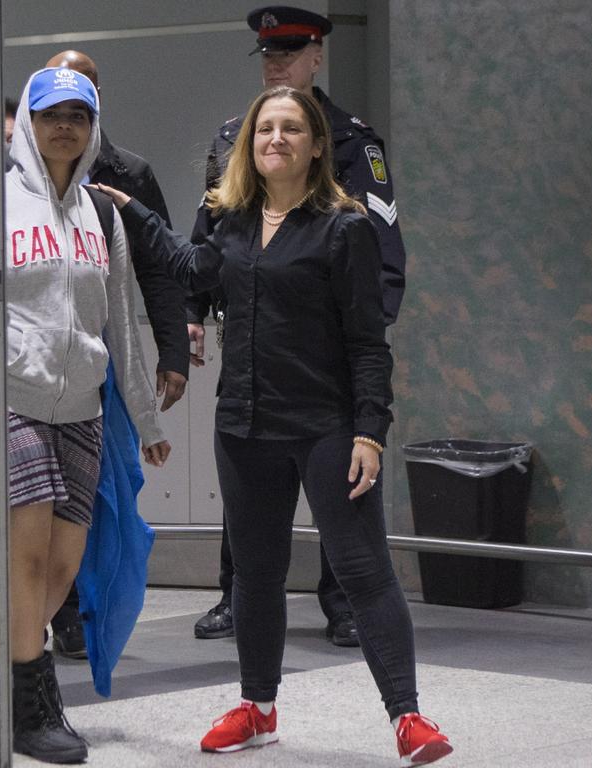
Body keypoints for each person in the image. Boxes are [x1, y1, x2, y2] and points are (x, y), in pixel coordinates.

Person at [92, 85, 452, 765]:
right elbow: (188, 267)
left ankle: (407, 718)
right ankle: (256, 710)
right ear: (248, 147)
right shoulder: (227, 221)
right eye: (263, 131)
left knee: (362, 571)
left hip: (326, 427)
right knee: (255, 575)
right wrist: (135, 212)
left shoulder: (344, 229)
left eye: (290, 130)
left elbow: (367, 343)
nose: (275, 140)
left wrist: (369, 432)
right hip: (244, 426)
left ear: (316, 145)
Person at [190, 4, 408, 648]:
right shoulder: (236, 136)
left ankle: (342, 603)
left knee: (337, 480)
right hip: (252, 337)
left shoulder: (352, 141)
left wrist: (363, 333)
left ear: (317, 55)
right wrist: (191, 314)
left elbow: (383, 248)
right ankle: (238, 594)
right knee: (248, 458)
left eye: (288, 51)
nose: (275, 63)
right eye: (267, 54)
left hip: (327, 345)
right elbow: (210, 238)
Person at [5, 67, 171, 763]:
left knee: (65, 568)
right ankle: (32, 702)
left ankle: (3, 661)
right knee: (30, 549)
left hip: (80, 406)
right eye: (50, 115)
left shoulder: (104, 214)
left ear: (92, 125)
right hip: (12, 401)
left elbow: (123, 324)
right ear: (27, 124)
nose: (63, 126)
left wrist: (146, 417)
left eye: (77, 115)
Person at [42, 49, 190, 661]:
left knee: (100, 492)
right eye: (57, 103)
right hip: (34, 364)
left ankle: (84, 612)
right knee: (41, 497)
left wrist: (173, 351)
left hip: (102, 358)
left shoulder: (126, 174)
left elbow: (158, 271)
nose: (68, 116)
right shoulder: (12, 178)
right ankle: (48, 613)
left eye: (84, 100)